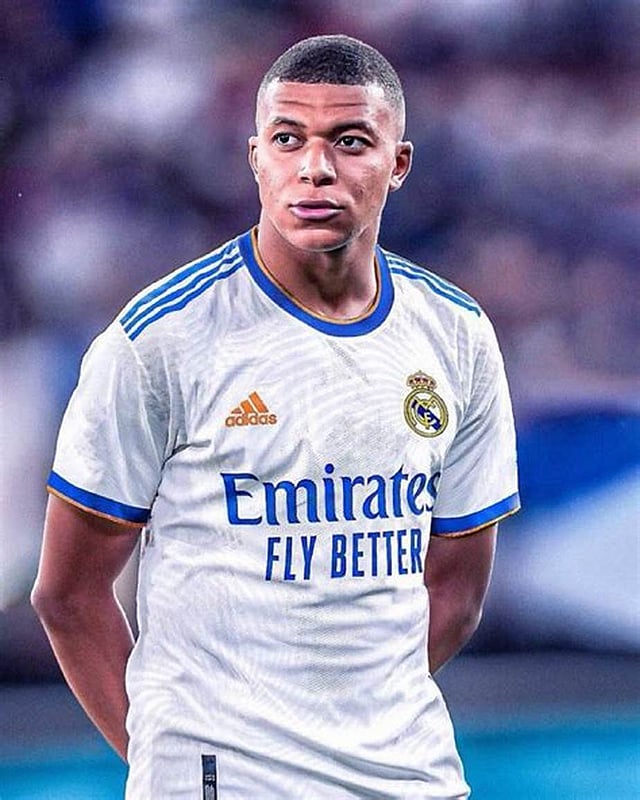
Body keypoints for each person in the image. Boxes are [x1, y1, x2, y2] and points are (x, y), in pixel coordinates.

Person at [31, 34, 520, 799]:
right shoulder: (159, 340)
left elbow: (457, 591)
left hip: (411, 777)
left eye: (350, 141)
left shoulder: (456, 334)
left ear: (398, 163)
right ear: (256, 158)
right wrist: (168, 761)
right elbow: (67, 595)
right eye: (289, 139)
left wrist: (345, 719)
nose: (314, 167)